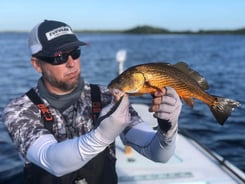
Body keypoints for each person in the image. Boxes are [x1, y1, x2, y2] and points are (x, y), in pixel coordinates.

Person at [3, 20, 182, 184]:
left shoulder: (106, 96)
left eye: (75, 52)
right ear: (36, 64)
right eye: (59, 56)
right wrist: (101, 136)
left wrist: (167, 128)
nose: (71, 63)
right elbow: (52, 161)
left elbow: (158, 154)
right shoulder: (19, 110)